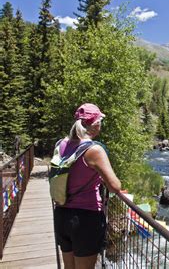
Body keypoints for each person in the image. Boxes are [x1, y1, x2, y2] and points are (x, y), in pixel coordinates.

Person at [53, 103, 121, 269]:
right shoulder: (94, 150)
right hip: (85, 219)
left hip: (61, 214)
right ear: (96, 124)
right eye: (100, 121)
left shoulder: (61, 144)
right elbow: (114, 186)